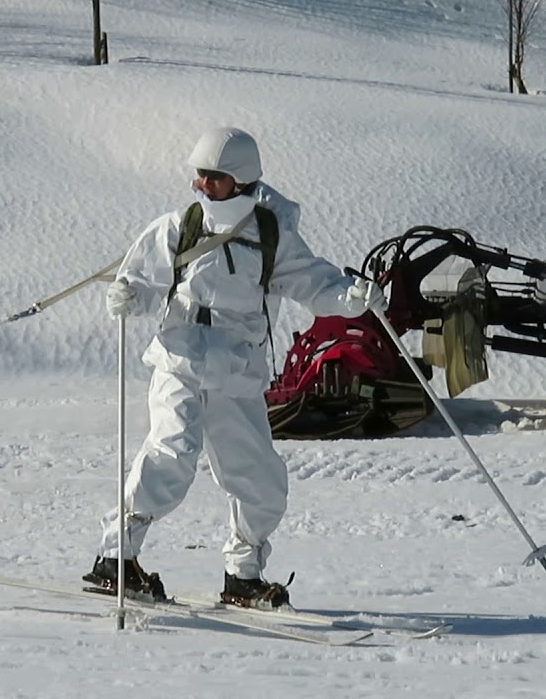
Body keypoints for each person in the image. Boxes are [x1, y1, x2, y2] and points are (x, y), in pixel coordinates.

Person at [83, 126, 386, 609]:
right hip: (181, 358)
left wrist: (350, 298)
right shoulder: (177, 227)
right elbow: (140, 280)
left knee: (261, 479)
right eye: (199, 175)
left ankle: (243, 576)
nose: (201, 186)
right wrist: (128, 296)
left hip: (238, 369)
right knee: (171, 453)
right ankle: (116, 559)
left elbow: (314, 283)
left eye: (213, 178)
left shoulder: (271, 237)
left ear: (241, 181)